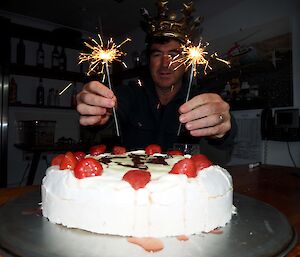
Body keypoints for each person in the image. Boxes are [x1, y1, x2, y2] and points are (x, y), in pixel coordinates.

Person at [76, 0, 236, 163]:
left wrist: (222, 124)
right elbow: (112, 108)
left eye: (174, 55)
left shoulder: (197, 99)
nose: (165, 63)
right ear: (148, 60)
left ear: (187, 62)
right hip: (131, 185)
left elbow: (226, 137)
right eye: (157, 54)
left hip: (182, 185)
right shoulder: (131, 94)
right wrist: (99, 108)